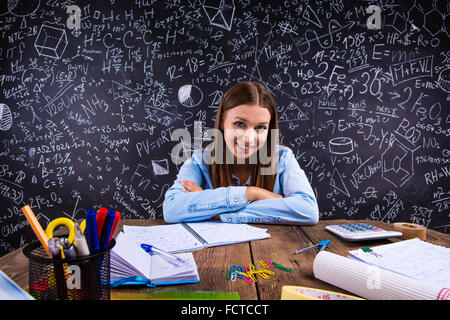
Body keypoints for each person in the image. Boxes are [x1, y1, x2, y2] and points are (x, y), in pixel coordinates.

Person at [163, 82, 319, 225]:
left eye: (260, 127)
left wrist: (215, 210)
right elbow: (172, 209)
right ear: (223, 121)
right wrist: (251, 193)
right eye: (239, 124)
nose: (248, 138)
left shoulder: (283, 157)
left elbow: (308, 211)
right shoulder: (200, 160)